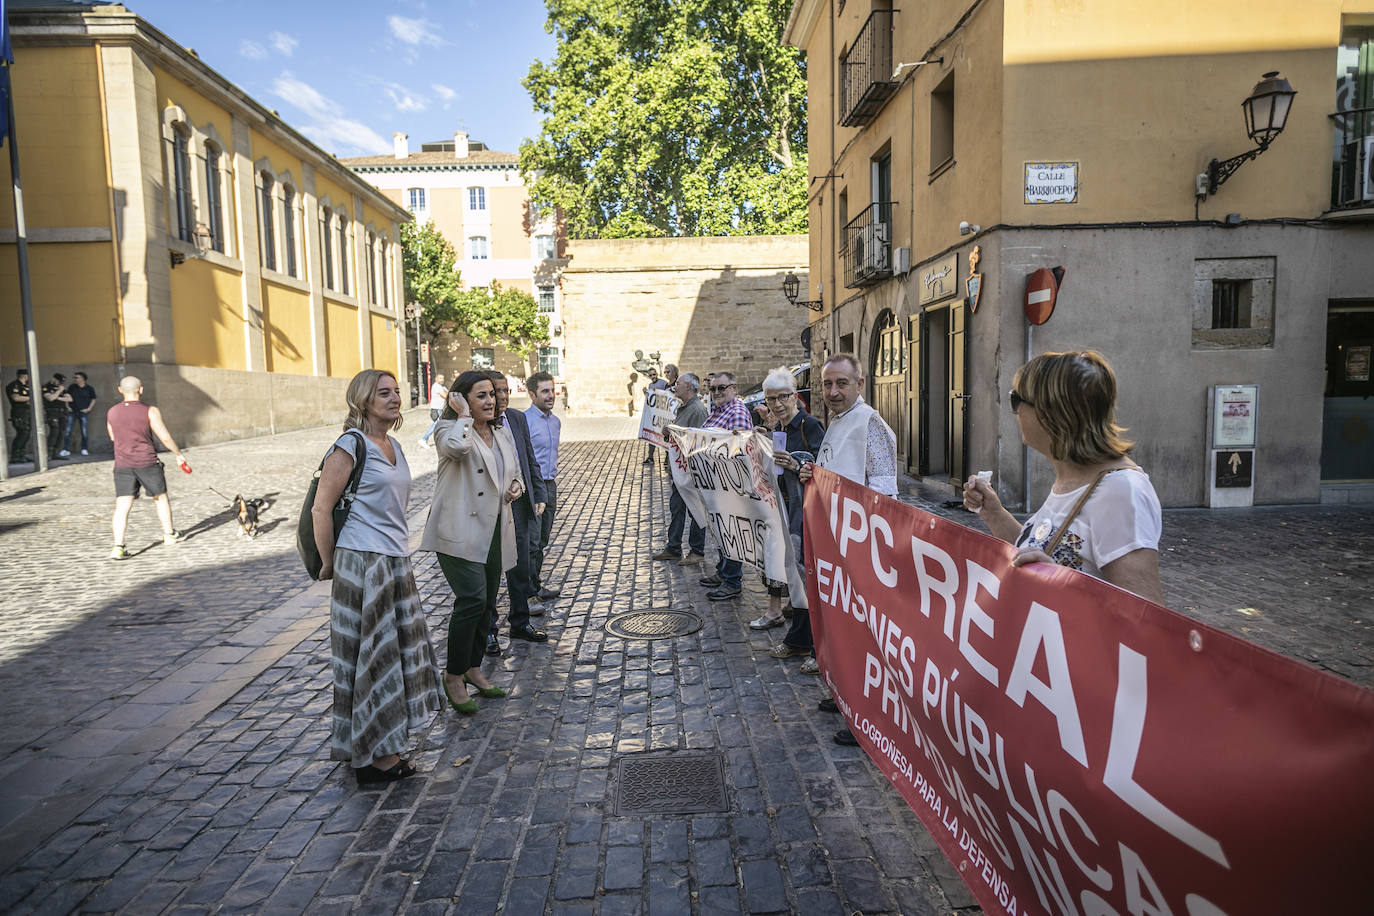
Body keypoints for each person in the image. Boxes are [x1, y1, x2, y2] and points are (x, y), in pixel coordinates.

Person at [312, 369, 441, 786]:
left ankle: (380, 746)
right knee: (371, 657)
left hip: (393, 561)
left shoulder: (395, 444)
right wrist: (330, 563)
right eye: (383, 393)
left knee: (394, 656)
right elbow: (321, 508)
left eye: (397, 392)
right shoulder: (350, 446)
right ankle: (373, 757)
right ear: (363, 400)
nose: (394, 398)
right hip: (361, 563)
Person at [961, 350, 1164, 604]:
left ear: (1050, 413)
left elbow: (1143, 616)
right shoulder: (1073, 479)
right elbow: (1037, 553)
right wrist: (994, 513)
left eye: (1016, 400)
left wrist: (1062, 588)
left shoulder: (1120, 492)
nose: (1015, 412)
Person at [799, 353, 898, 744]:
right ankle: (847, 696)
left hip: (861, 549)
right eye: (827, 384)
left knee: (864, 634)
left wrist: (871, 553)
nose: (833, 391)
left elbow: (884, 494)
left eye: (842, 383)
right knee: (842, 625)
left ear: (860, 383)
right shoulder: (838, 422)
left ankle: (869, 717)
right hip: (836, 546)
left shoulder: (869, 423)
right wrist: (813, 474)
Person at [421, 370, 522, 718]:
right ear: (461, 398)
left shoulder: (501, 434)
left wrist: (516, 489)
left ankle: (473, 667)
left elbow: (515, 474)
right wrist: (462, 415)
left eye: (492, 394)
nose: (491, 401)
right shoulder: (448, 430)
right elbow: (458, 449)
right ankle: (453, 676)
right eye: (481, 395)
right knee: (472, 599)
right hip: (458, 531)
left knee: (488, 603)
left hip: (494, 529)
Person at [755, 367, 826, 671]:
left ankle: (816, 647)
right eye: (772, 399)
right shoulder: (779, 428)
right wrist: (761, 441)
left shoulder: (810, 426)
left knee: (808, 576)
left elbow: (826, 471)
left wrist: (797, 465)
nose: (778, 403)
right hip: (784, 510)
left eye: (783, 396)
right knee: (794, 575)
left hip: (807, 513)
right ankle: (799, 638)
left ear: (795, 396)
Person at [485, 369, 549, 650]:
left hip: (520, 504)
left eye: (505, 391)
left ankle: (520, 622)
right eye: (495, 391)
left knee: (521, 566)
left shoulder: (517, 418)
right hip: (489, 507)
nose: (501, 397)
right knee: (490, 570)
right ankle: (488, 630)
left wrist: (538, 492)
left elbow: (529, 459)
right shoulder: (477, 423)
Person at [107, 376, 189, 560]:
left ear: (120, 390)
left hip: (122, 464)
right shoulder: (150, 410)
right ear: (141, 390)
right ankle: (169, 535)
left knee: (122, 506)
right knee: (160, 498)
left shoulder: (112, 412)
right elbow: (164, 437)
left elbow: (113, 436)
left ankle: (118, 546)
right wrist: (178, 454)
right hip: (147, 462)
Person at [697, 369, 754, 600]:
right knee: (721, 528)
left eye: (722, 388)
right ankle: (723, 572)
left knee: (732, 530)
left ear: (734, 388)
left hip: (731, 484)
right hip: (716, 482)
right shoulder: (719, 410)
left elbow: (738, 448)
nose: (716, 392)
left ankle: (732, 581)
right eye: (712, 388)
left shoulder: (737, 411)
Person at [653, 371, 708, 565]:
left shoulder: (698, 410)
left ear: (689, 387)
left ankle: (697, 550)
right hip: (680, 470)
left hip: (692, 471)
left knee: (695, 509)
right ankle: (673, 547)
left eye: (679, 383)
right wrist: (669, 432)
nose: (675, 385)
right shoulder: (685, 408)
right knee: (677, 507)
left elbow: (700, 440)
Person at [524, 371, 563, 602]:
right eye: (545, 391)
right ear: (532, 394)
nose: (551, 396)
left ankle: (535, 584)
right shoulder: (525, 422)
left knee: (543, 539)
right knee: (532, 541)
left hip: (550, 485)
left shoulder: (555, 422)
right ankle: (527, 591)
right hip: (532, 487)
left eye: (552, 390)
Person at [61, 371, 97, 456]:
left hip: (83, 412)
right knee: (68, 431)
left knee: (84, 431)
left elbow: (93, 399)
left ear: (82, 379)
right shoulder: (72, 387)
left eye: (76, 377)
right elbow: (66, 396)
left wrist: (89, 409)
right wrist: (67, 406)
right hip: (72, 412)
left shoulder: (89, 388)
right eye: (74, 377)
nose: (75, 379)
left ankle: (84, 449)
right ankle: (66, 449)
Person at [642, 367, 669, 466]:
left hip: (663, 414)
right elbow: (650, 400)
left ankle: (667, 458)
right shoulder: (650, 385)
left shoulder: (663, 383)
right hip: (654, 415)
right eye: (651, 375)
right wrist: (646, 393)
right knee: (653, 436)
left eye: (654, 374)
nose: (653, 376)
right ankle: (650, 457)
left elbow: (668, 395)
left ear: (656, 374)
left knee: (664, 436)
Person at [42, 373, 71, 461]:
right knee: (54, 432)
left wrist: (57, 397)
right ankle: (48, 454)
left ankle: (56, 453)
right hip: (52, 412)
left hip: (62, 412)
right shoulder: (46, 387)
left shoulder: (62, 388)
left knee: (61, 433)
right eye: (59, 381)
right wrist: (58, 392)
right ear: (54, 378)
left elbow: (69, 399)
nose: (60, 384)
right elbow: (50, 398)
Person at [6, 368, 32, 464]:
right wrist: (30, 398)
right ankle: (15, 456)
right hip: (19, 413)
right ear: (25, 376)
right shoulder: (14, 385)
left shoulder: (26, 386)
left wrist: (28, 399)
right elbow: (16, 398)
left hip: (27, 413)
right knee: (22, 433)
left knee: (27, 434)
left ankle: (22, 454)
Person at [418, 372, 447, 448]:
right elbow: (445, 395)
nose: (442, 380)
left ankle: (442, 441)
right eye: (440, 378)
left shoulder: (442, 387)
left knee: (440, 425)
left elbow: (448, 392)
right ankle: (424, 439)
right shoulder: (437, 386)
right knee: (436, 425)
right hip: (437, 409)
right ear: (436, 379)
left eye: (443, 378)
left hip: (440, 409)